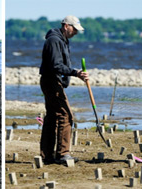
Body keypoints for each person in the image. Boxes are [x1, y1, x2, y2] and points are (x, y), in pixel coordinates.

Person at [39, 15, 89, 164]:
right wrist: (75, 72)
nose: (76, 33)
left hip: (53, 81)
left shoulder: (62, 40)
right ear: (66, 26)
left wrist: (74, 74)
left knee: (52, 117)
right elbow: (56, 65)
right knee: (66, 115)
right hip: (51, 81)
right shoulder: (54, 40)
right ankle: (63, 154)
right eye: (74, 29)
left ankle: (47, 155)